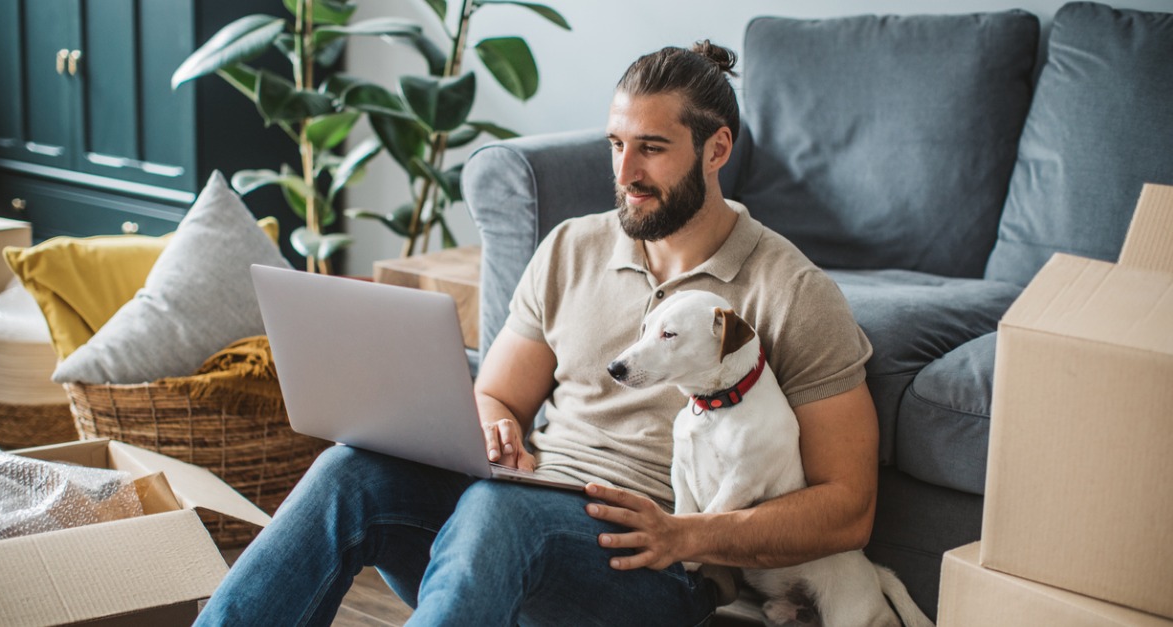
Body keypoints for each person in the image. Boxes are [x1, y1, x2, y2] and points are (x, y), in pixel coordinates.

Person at [195, 40, 877, 627]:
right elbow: (496, 397)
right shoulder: (570, 249)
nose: (625, 173)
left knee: (497, 511)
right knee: (351, 471)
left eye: (652, 149)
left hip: (656, 568)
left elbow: (848, 509)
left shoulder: (792, 291)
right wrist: (496, 428)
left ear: (716, 148)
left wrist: (687, 534)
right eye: (616, 144)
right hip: (519, 515)